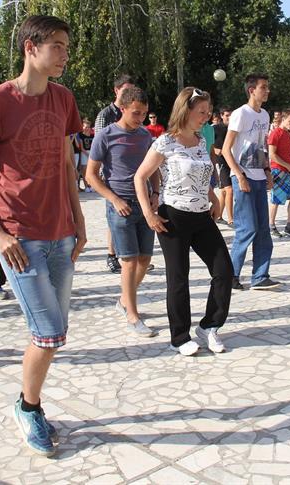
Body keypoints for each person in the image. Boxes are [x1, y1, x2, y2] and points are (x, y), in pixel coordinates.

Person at [0, 15, 87, 456]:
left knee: (55, 332)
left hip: (61, 233)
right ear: (31, 48)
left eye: (67, 46)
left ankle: (28, 401)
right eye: (58, 46)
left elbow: (67, 164)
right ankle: (28, 407)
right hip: (19, 236)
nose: (65, 54)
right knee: (48, 332)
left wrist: (79, 221)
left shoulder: (63, 99)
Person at [134, 87, 232, 356]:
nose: (206, 116)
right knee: (178, 278)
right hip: (173, 217)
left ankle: (209, 326)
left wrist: (213, 198)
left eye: (208, 112)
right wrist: (148, 213)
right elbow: (140, 177)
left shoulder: (200, 141)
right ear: (186, 111)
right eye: (201, 112)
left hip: (202, 216)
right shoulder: (165, 141)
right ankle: (179, 337)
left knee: (224, 271)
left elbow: (202, 174)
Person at [86, 86, 160, 337]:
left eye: (144, 114)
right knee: (128, 261)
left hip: (145, 203)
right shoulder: (105, 135)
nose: (140, 118)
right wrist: (114, 199)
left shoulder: (145, 136)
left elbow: (154, 168)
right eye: (136, 113)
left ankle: (124, 299)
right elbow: (91, 176)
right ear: (123, 108)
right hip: (121, 205)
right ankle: (132, 314)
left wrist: (155, 193)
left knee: (144, 259)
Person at [221, 73, 280, 290]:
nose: (267, 91)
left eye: (267, 87)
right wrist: (239, 175)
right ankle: (231, 275)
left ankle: (260, 276)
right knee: (247, 228)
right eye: (263, 87)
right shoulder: (240, 114)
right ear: (251, 90)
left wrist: (267, 170)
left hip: (259, 176)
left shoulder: (264, 115)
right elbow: (226, 150)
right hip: (243, 177)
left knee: (263, 229)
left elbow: (262, 145)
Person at [95, 74, 135, 274]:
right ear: (116, 90)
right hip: (112, 175)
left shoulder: (133, 110)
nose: (129, 94)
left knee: (132, 217)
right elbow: (99, 148)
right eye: (125, 90)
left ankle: (132, 256)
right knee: (115, 217)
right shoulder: (105, 115)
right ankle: (112, 255)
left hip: (132, 174)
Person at [268, 108, 290, 239]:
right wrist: (288, 166)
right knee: (276, 199)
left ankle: (289, 226)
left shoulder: (287, 134)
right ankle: (271, 226)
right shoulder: (275, 133)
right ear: (283, 119)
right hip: (278, 170)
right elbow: (272, 155)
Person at [212, 107, 233, 225]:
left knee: (224, 191)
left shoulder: (234, 128)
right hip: (220, 162)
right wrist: (214, 149)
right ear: (221, 115)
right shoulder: (215, 128)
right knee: (229, 189)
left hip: (232, 161)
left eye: (231, 115)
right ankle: (231, 219)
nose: (229, 118)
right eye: (227, 115)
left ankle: (218, 216)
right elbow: (208, 142)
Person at [77, 118, 94, 191]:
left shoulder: (92, 135)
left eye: (88, 127)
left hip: (92, 152)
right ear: (83, 127)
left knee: (91, 170)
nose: (87, 128)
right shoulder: (81, 135)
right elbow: (82, 148)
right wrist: (88, 154)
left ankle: (92, 186)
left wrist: (92, 154)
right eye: (85, 127)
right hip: (84, 153)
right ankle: (86, 186)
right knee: (84, 171)